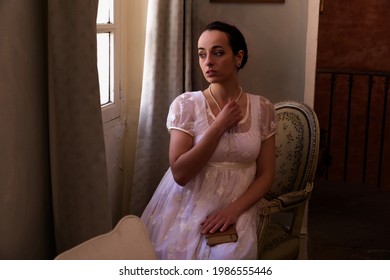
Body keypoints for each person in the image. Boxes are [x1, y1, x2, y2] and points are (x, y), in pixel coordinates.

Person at [141, 21, 277, 259]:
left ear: (238, 57)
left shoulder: (263, 108)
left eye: (217, 53)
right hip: (188, 204)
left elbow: (266, 174)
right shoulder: (186, 105)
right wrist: (218, 126)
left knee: (227, 257)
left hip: (238, 205)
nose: (208, 62)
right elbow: (180, 174)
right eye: (202, 55)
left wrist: (233, 211)